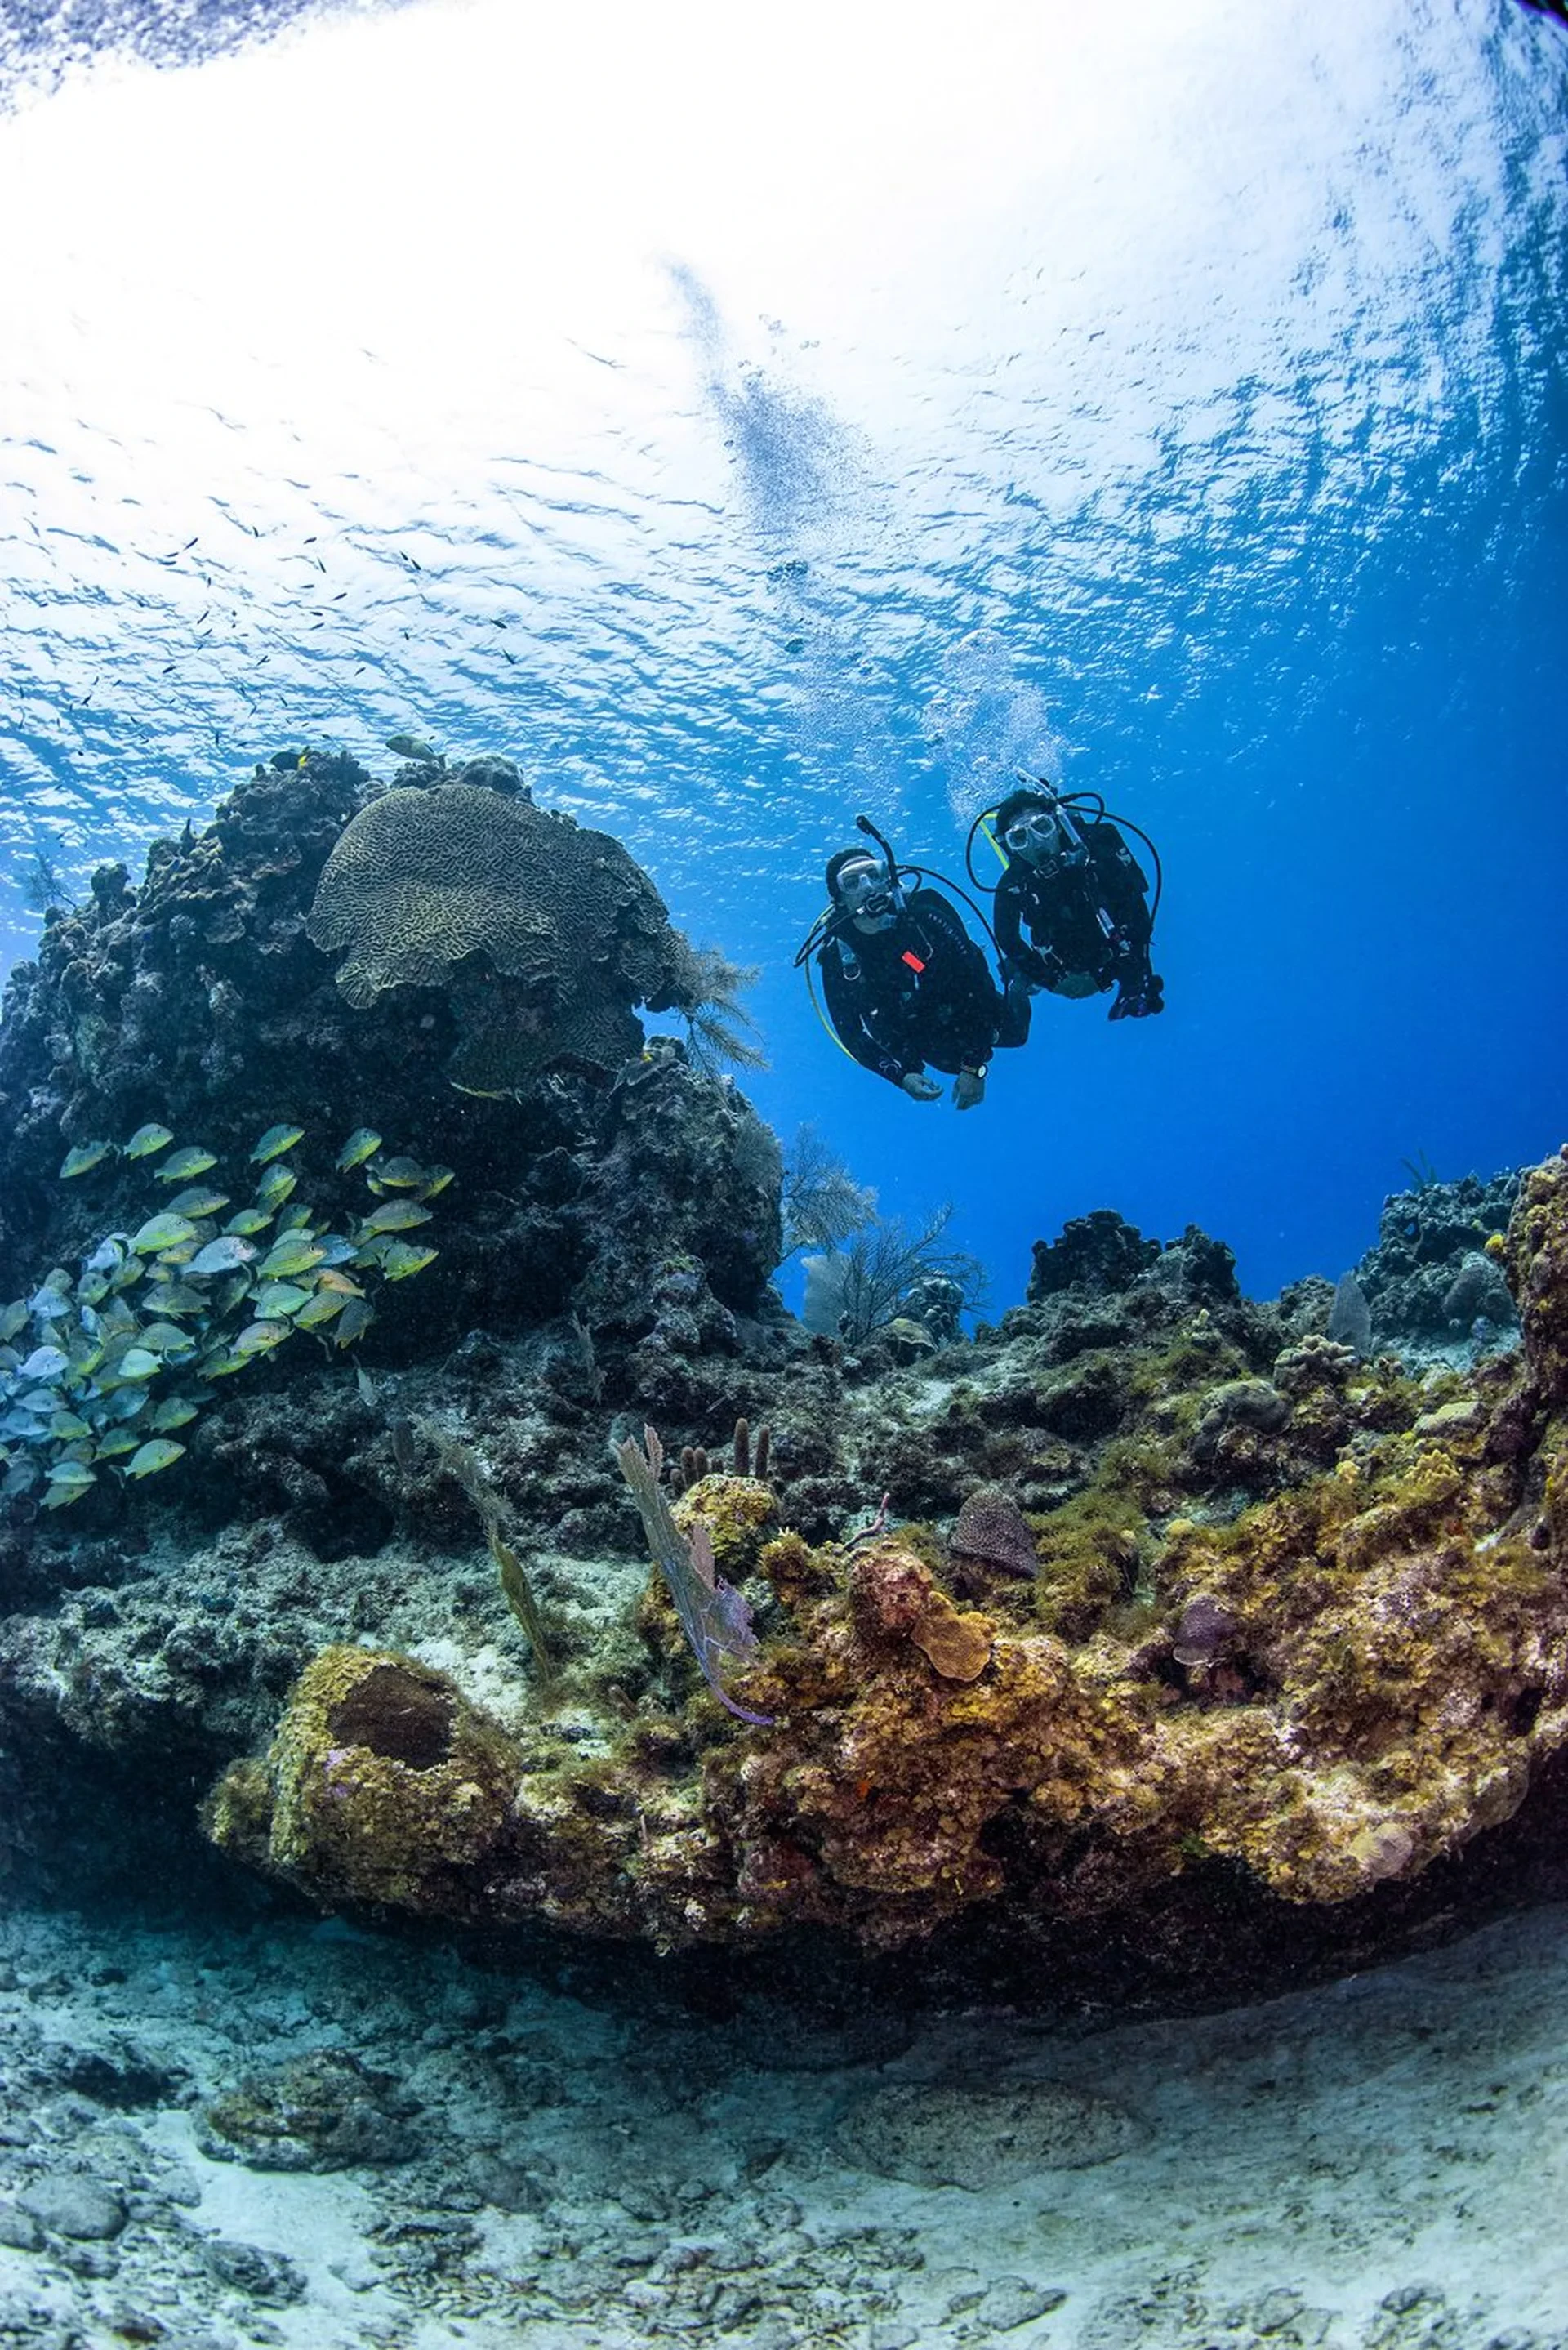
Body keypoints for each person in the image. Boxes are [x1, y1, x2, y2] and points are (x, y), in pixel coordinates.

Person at [817, 845, 1008, 1108]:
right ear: (839, 898)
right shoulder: (837, 957)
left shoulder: (925, 912)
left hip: (962, 1003)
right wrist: (901, 1077)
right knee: (949, 1063)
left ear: (888, 878)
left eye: (874, 875)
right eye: (852, 883)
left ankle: (1020, 982)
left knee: (1014, 1031)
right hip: (909, 1031)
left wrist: (976, 1066)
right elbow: (850, 1033)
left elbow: (975, 977)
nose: (868, 887)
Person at [991, 787, 1164, 1020]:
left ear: (1057, 823)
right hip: (1061, 960)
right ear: (1010, 847)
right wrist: (1054, 981)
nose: (1036, 843)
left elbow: (1134, 901)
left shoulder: (1095, 849)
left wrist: (1138, 961)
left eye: (1042, 827)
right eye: (1020, 838)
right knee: (1012, 973)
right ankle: (1025, 982)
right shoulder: (1013, 883)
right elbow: (1006, 937)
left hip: (1113, 947)